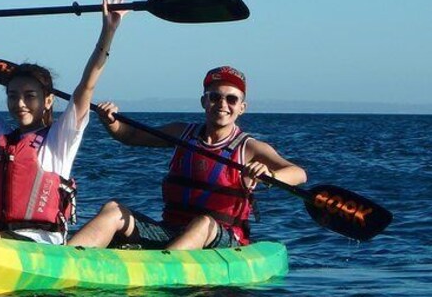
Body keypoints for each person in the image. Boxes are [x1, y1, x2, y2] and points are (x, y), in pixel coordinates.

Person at [0, 0, 127, 245]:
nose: (19, 103)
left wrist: (108, 33)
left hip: (39, 245)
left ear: (48, 100)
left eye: (30, 96)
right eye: (12, 96)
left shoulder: (60, 139)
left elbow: (86, 85)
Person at [67, 65, 307, 250]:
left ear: (242, 107)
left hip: (221, 237)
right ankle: (66, 257)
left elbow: (298, 173)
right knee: (112, 209)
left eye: (231, 99)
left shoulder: (250, 147)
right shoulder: (182, 133)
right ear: (204, 101)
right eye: (214, 97)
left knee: (203, 223)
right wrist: (110, 122)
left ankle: (161, 270)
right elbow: (129, 136)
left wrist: (270, 175)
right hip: (170, 231)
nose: (222, 104)